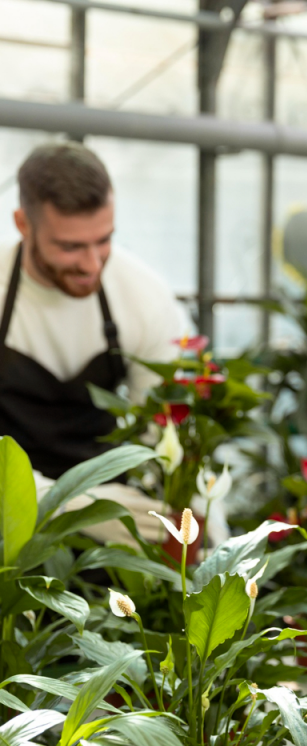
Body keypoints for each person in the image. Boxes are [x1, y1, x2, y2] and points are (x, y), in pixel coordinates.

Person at [2, 142, 189, 539]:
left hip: (110, 519)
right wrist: (71, 506)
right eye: (70, 246)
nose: (91, 265)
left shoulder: (143, 297)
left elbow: (168, 437)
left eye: (103, 240)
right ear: (23, 224)